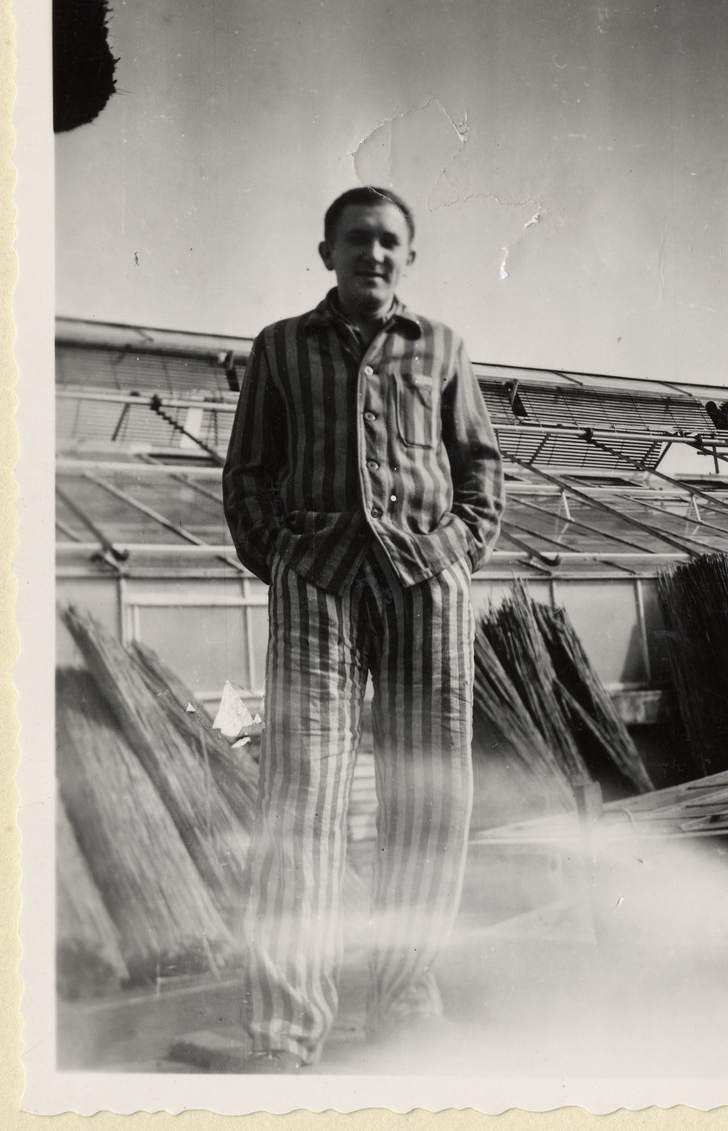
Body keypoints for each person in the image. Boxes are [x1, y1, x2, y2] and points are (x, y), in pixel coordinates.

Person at [223, 186, 504, 1072]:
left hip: (426, 587)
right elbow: (247, 476)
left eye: (388, 243)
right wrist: (286, 560)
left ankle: (406, 999)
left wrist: (455, 551)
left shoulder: (445, 348)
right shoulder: (280, 347)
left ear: (408, 259)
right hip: (319, 587)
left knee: (428, 797)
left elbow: (481, 473)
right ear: (326, 254)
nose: (371, 256)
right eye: (355, 241)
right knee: (301, 800)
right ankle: (284, 1028)